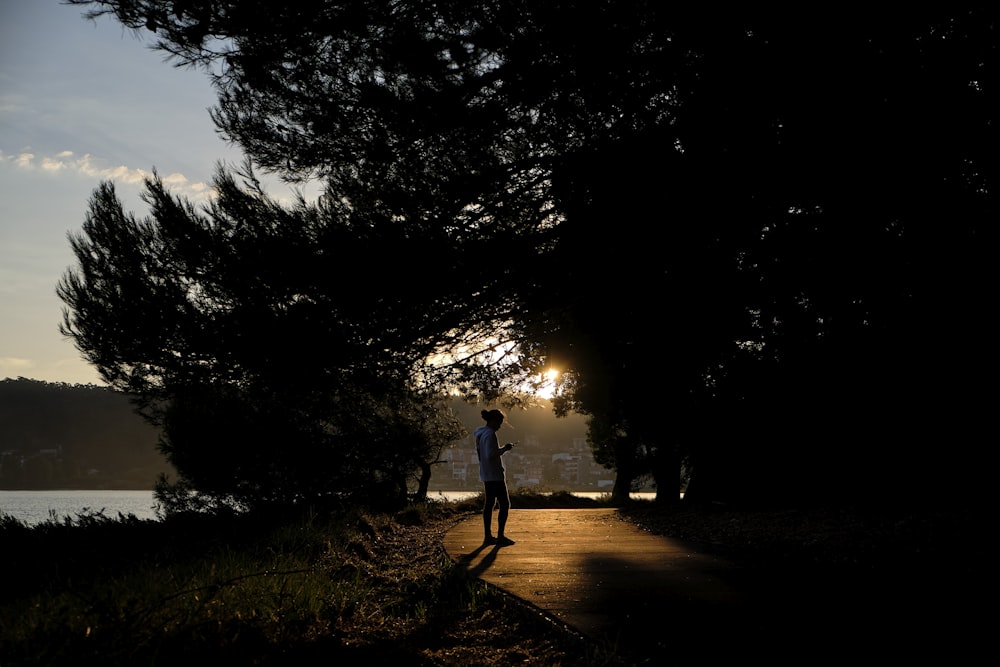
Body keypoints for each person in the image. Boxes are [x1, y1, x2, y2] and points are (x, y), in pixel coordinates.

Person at [474, 408, 515, 546]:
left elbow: (483, 455)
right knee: (504, 504)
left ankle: (488, 536)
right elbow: (491, 455)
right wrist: (505, 448)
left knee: (489, 504)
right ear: (493, 421)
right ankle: (500, 536)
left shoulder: (480, 434)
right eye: (499, 422)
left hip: (486, 473)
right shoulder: (490, 435)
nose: (500, 425)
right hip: (495, 475)